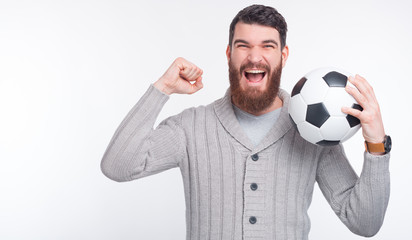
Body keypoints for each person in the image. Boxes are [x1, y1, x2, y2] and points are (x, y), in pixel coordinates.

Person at [101, 4, 390, 240]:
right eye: (243, 46)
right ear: (229, 55)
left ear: (283, 55)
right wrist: (161, 88)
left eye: (267, 46)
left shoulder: (313, 130)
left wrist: (376, 144)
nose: (255, 57)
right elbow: (118, 166)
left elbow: (364, 223)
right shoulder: (190, 127)